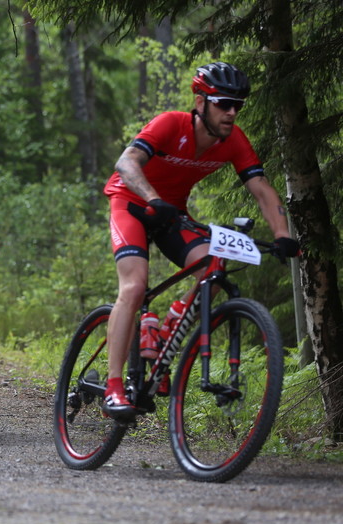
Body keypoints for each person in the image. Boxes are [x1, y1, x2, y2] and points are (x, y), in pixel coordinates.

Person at [101, 62, 300, 419]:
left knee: (212, 265)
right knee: (134, 287)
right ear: (200, 102)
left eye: (238, 104)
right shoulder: (170, 124)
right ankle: (114, 388)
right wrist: (152, 197)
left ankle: (163, 328)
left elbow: (262, 190)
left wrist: (282, 236)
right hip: (130, 204)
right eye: (223, 103)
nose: (232, 112)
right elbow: (126, 163)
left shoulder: (234, 141)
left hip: (172, 214)